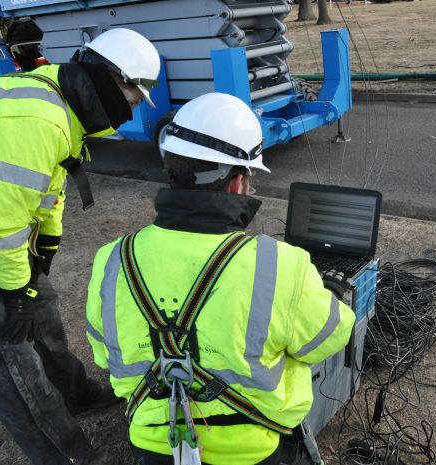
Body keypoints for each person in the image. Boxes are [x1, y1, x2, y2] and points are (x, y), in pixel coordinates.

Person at [85, 92, 356, 465]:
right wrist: (332, 293)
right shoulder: (278, 263)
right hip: (251, 451)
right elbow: (326, 340)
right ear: (237, 183)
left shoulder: (112, 259)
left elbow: (104, 354)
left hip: (154, 445)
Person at [0, 28, 160, 465]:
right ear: (115, 80)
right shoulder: (35, 120)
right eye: (133, 101)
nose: (130, 113)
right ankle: (67, 455)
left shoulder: (57, 99)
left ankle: (73, 393)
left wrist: (47, 247)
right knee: (4, 345)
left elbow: (48, 186)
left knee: (42, 303)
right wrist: (15, 291)